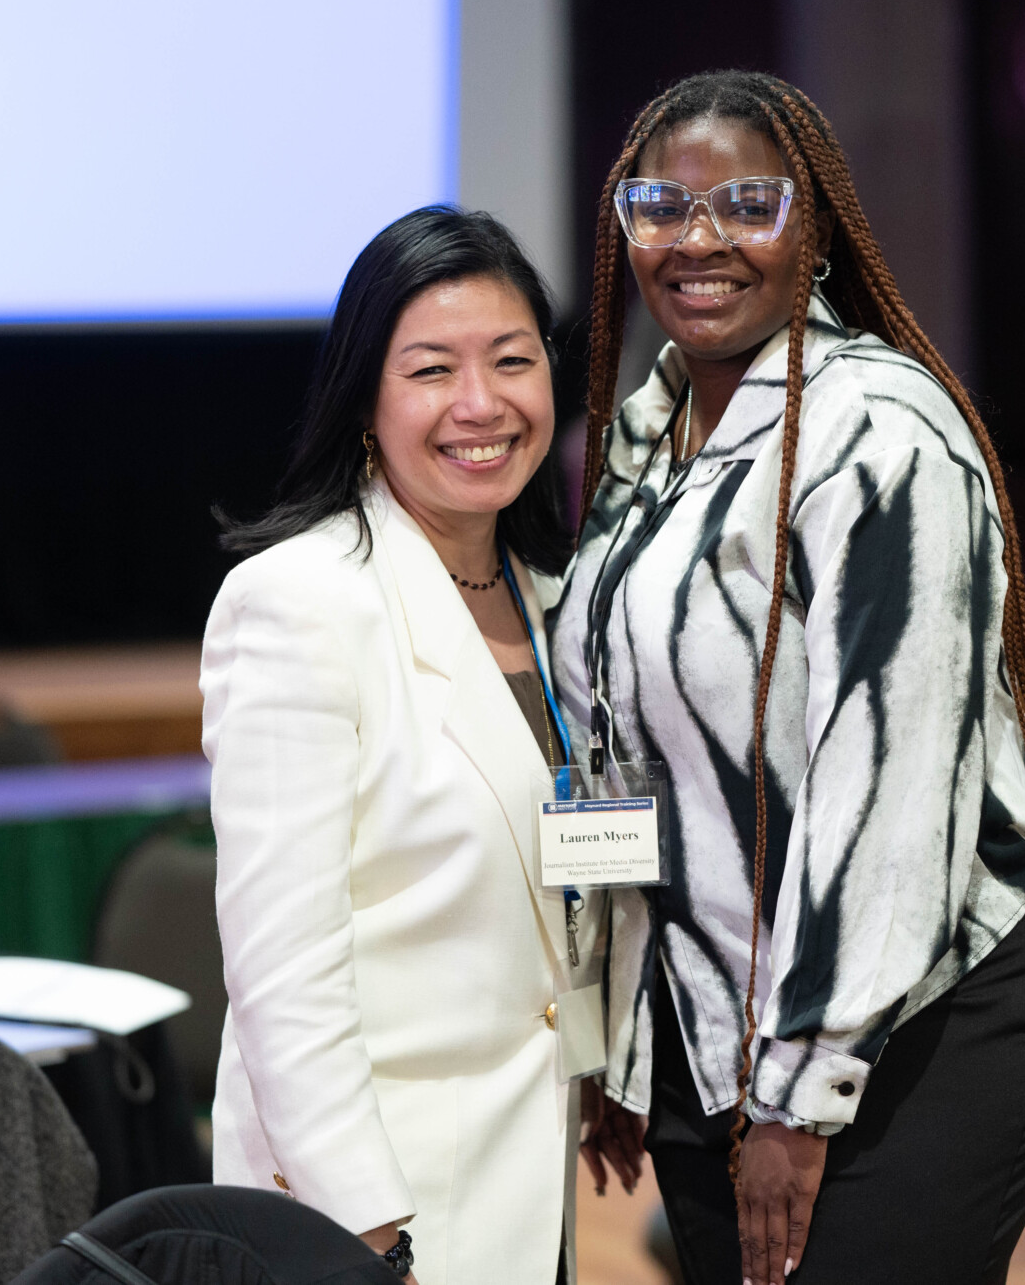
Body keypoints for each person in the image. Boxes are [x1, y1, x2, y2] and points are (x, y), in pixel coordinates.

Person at [549, 70, 1025, 1285]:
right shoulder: (648, 435)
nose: (698, 240)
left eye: (745, 204)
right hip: (719, 1023)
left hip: (914, 1020)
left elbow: (890, 781)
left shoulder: (880, 433)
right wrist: (623, 1039)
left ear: (813, 229)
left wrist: (798, 1095)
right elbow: (621, 759)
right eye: (660, 206)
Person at [202, 207, 623, 1285]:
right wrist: (369, 1229)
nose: (480, 404)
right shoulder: (298, 603)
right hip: (367, 1215)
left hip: (527, 1183)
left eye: (512, 362)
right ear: (363, 404)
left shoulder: (556, 602)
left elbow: (579, 870)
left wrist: (606, 1054)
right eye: (432, 369)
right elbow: (282, 972)